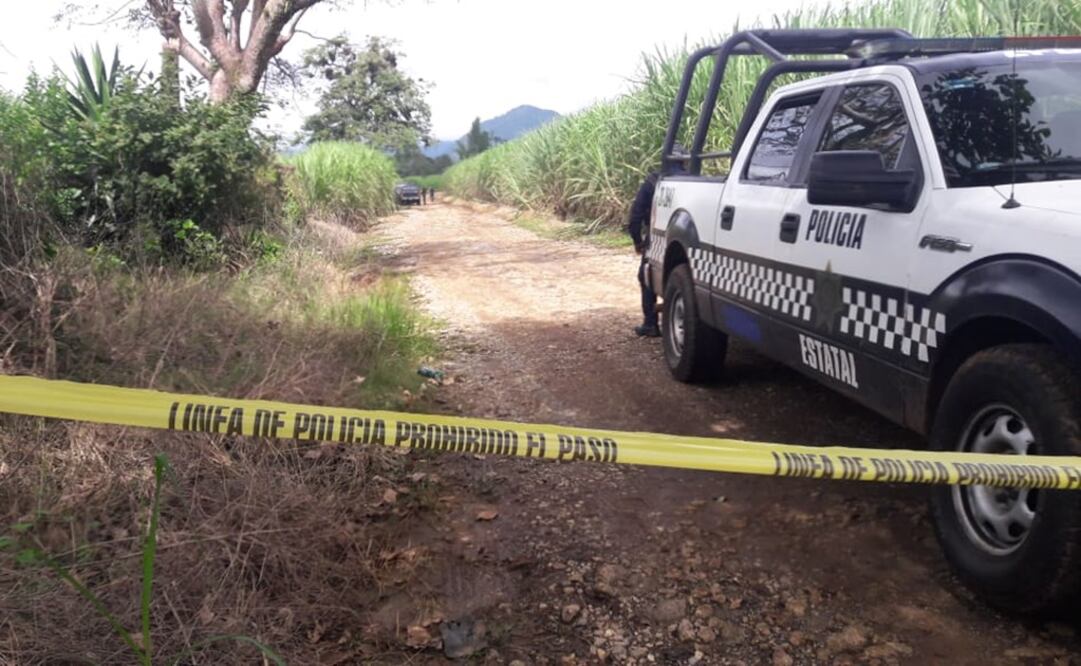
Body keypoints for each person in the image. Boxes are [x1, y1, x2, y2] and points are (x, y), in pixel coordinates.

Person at [627, 171, 661, 337]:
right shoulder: (693, 179)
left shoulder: (653, 182)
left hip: (657, 235)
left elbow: (636, 216)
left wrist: (637, 241)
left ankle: (650, 323)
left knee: (646, 276)